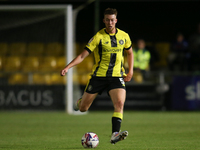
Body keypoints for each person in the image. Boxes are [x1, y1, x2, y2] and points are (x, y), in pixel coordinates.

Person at [60, 8, 134, 144]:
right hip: (98, 77)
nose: (110, 23)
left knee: (119, 103)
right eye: (107, 20)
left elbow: (130, 53)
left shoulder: (124, 36)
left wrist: (130, 72)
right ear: (104, 21)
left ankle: (115, 134)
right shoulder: (98, 37)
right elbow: (82, 55)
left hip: (117, 76)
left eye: (112, 20)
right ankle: (79, 102)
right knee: (83, 108)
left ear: (116, 20)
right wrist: (67, 67)